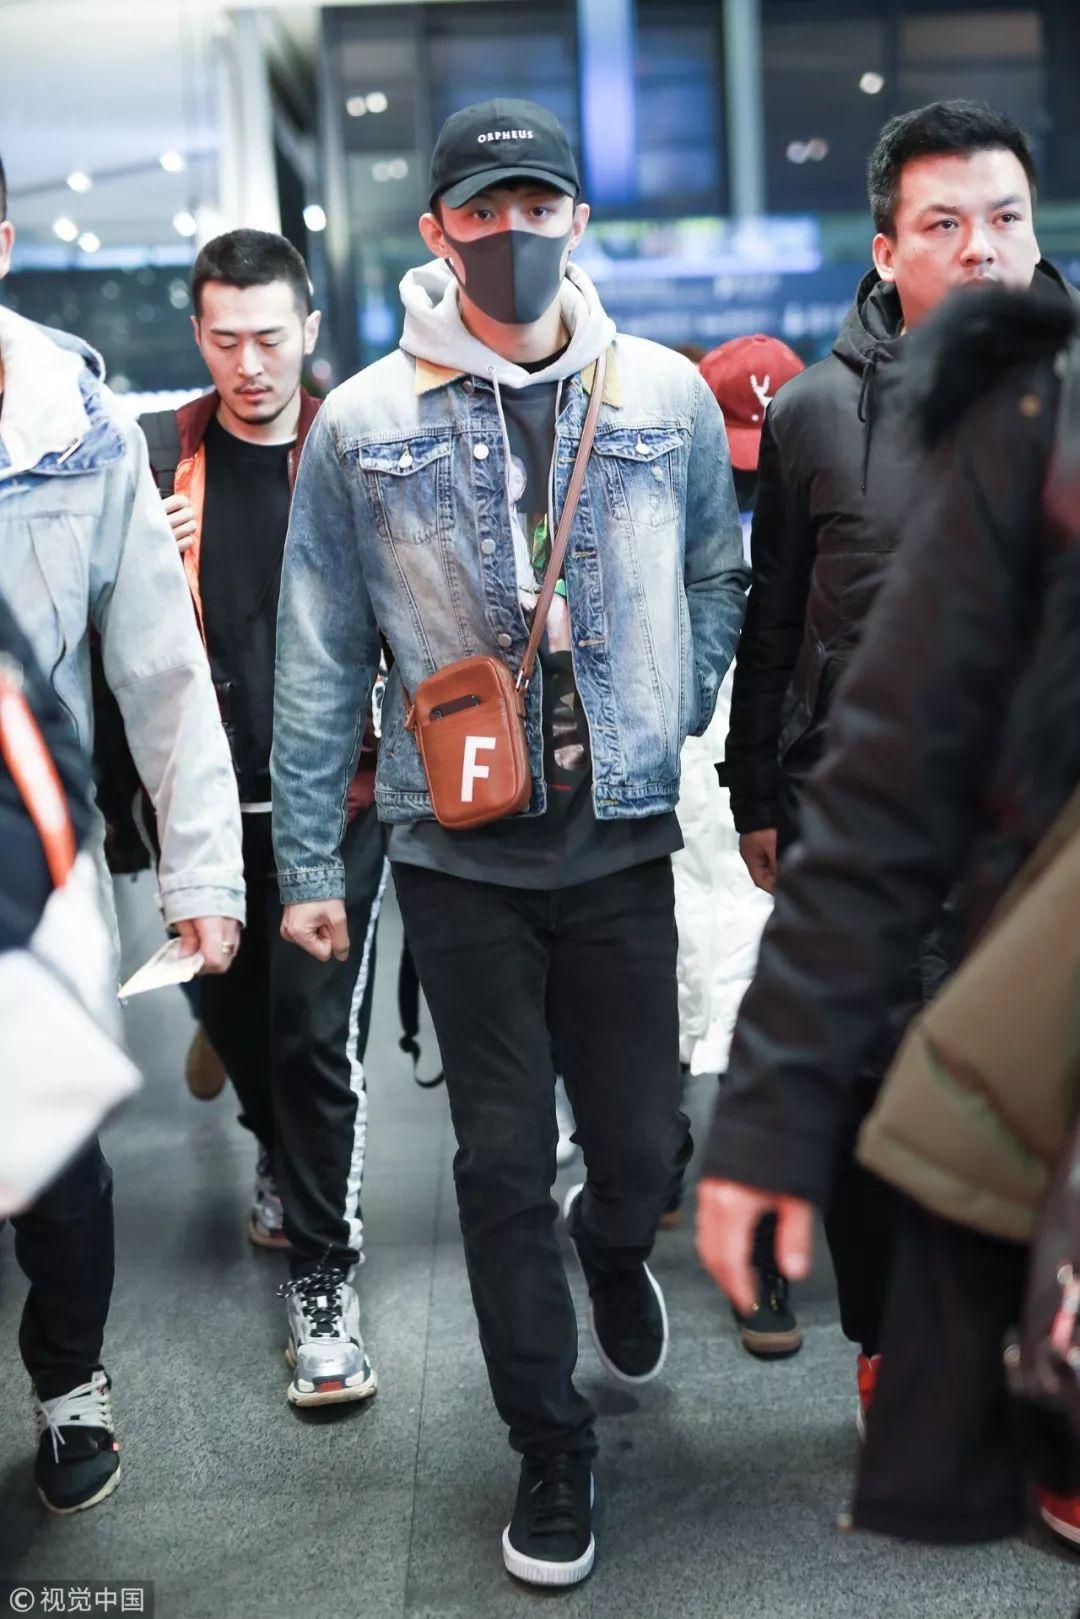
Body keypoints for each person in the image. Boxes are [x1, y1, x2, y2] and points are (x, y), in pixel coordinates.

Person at [271, 98, 748, 1586]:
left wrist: (669, 705)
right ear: (437, 230)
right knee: (495, 1163)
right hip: (459, 861)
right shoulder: (363, 423)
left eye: (538, 205)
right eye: (483, 210)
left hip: (619, 842)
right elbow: (316, 651)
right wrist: (307, 866)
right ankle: (549, 1439)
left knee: (641, 1145)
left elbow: (718, 572)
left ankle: (615, 1244)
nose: (513, 233)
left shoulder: (660, 392)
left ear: (579, 220)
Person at [698, 282, 1080, 1548]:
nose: (979, 249)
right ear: (891, 245)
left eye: (1004, 217)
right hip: (861, 802)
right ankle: (886, 1352)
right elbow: (774, 613)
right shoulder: (813, 410)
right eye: (943, 221)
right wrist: (756, 787)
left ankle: (1048, 1382)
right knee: (876, 1096)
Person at [0, 155, 245, 1513]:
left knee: (52, 1146)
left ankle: (67, 1379)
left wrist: (201, 873)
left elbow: (161, 672)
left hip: (27, 853)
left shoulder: (74, 432)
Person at [139, 230, 386, 1409]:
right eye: (226, 339)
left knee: (311, 1033)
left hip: (337, 796)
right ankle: (280, 1153)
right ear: (198, 335)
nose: (249, 364)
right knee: (235, 1016)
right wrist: (143, 560)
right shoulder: (155, 460)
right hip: (200, 802)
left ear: (309, 331)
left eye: (270, 338)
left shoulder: (356, 445)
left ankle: (325, 1278)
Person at [670, 335, 804, 1342]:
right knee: (666, 991)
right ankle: (651, 1157)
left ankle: (760, 1238)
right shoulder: (660, 500)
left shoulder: (835, 506)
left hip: (777, 777)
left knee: (771, 1008)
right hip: (678, 776)